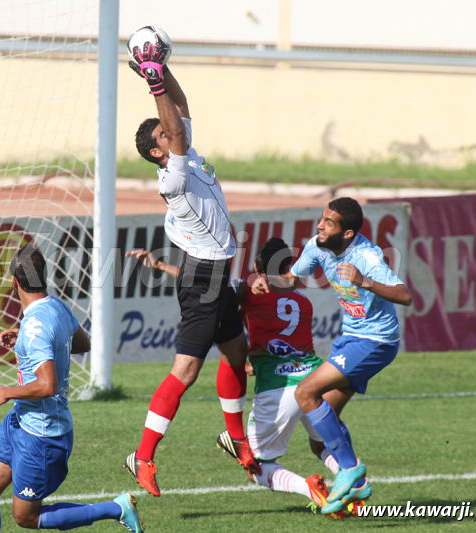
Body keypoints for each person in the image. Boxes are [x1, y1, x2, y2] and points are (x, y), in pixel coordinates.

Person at [127, 239, 350, 519]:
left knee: (256, 467)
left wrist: (159, 265)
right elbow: (287, 339)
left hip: (278, 388)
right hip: (313, 382)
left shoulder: (250, 289)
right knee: (324, 445)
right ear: (288, 267)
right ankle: (353, 489)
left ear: (257, 268)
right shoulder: (303, 302)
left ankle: (308, 488)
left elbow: (204, 285)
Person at [124, 39, 257, 497]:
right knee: (185, 372)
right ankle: (142, 456)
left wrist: (161, 68)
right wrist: (152, 81)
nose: (172, 130)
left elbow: (179, 110)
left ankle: (235, 437)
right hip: (201, 280)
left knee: (238, 354)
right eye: (164, 134)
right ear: (158, 152)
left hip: (216, 274)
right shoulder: (174, 173)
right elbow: (174, 126)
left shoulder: (186, 152)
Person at [253, 197, 412, 515]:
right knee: (320, 433)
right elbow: (292, 280)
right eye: (322, 218)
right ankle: (355, 482)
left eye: (329, 222)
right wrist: (267, 281)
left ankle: (351, 469)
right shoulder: (317, 245)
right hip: (351, 339)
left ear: (348, 232)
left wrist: (363, 281)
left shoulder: (366, 256)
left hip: (375, 342)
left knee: (305, 392)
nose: (320, 225)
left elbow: (404, 295)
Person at [0, 245, 144, 533]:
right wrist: (23, 336)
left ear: (14, 281)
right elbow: (81, 343)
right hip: (20, 422)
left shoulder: (36, 325)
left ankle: (117, 508)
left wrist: (7, 391)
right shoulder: (54, 307)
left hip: (42, 436)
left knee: (26, 517)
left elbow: (47, 385)